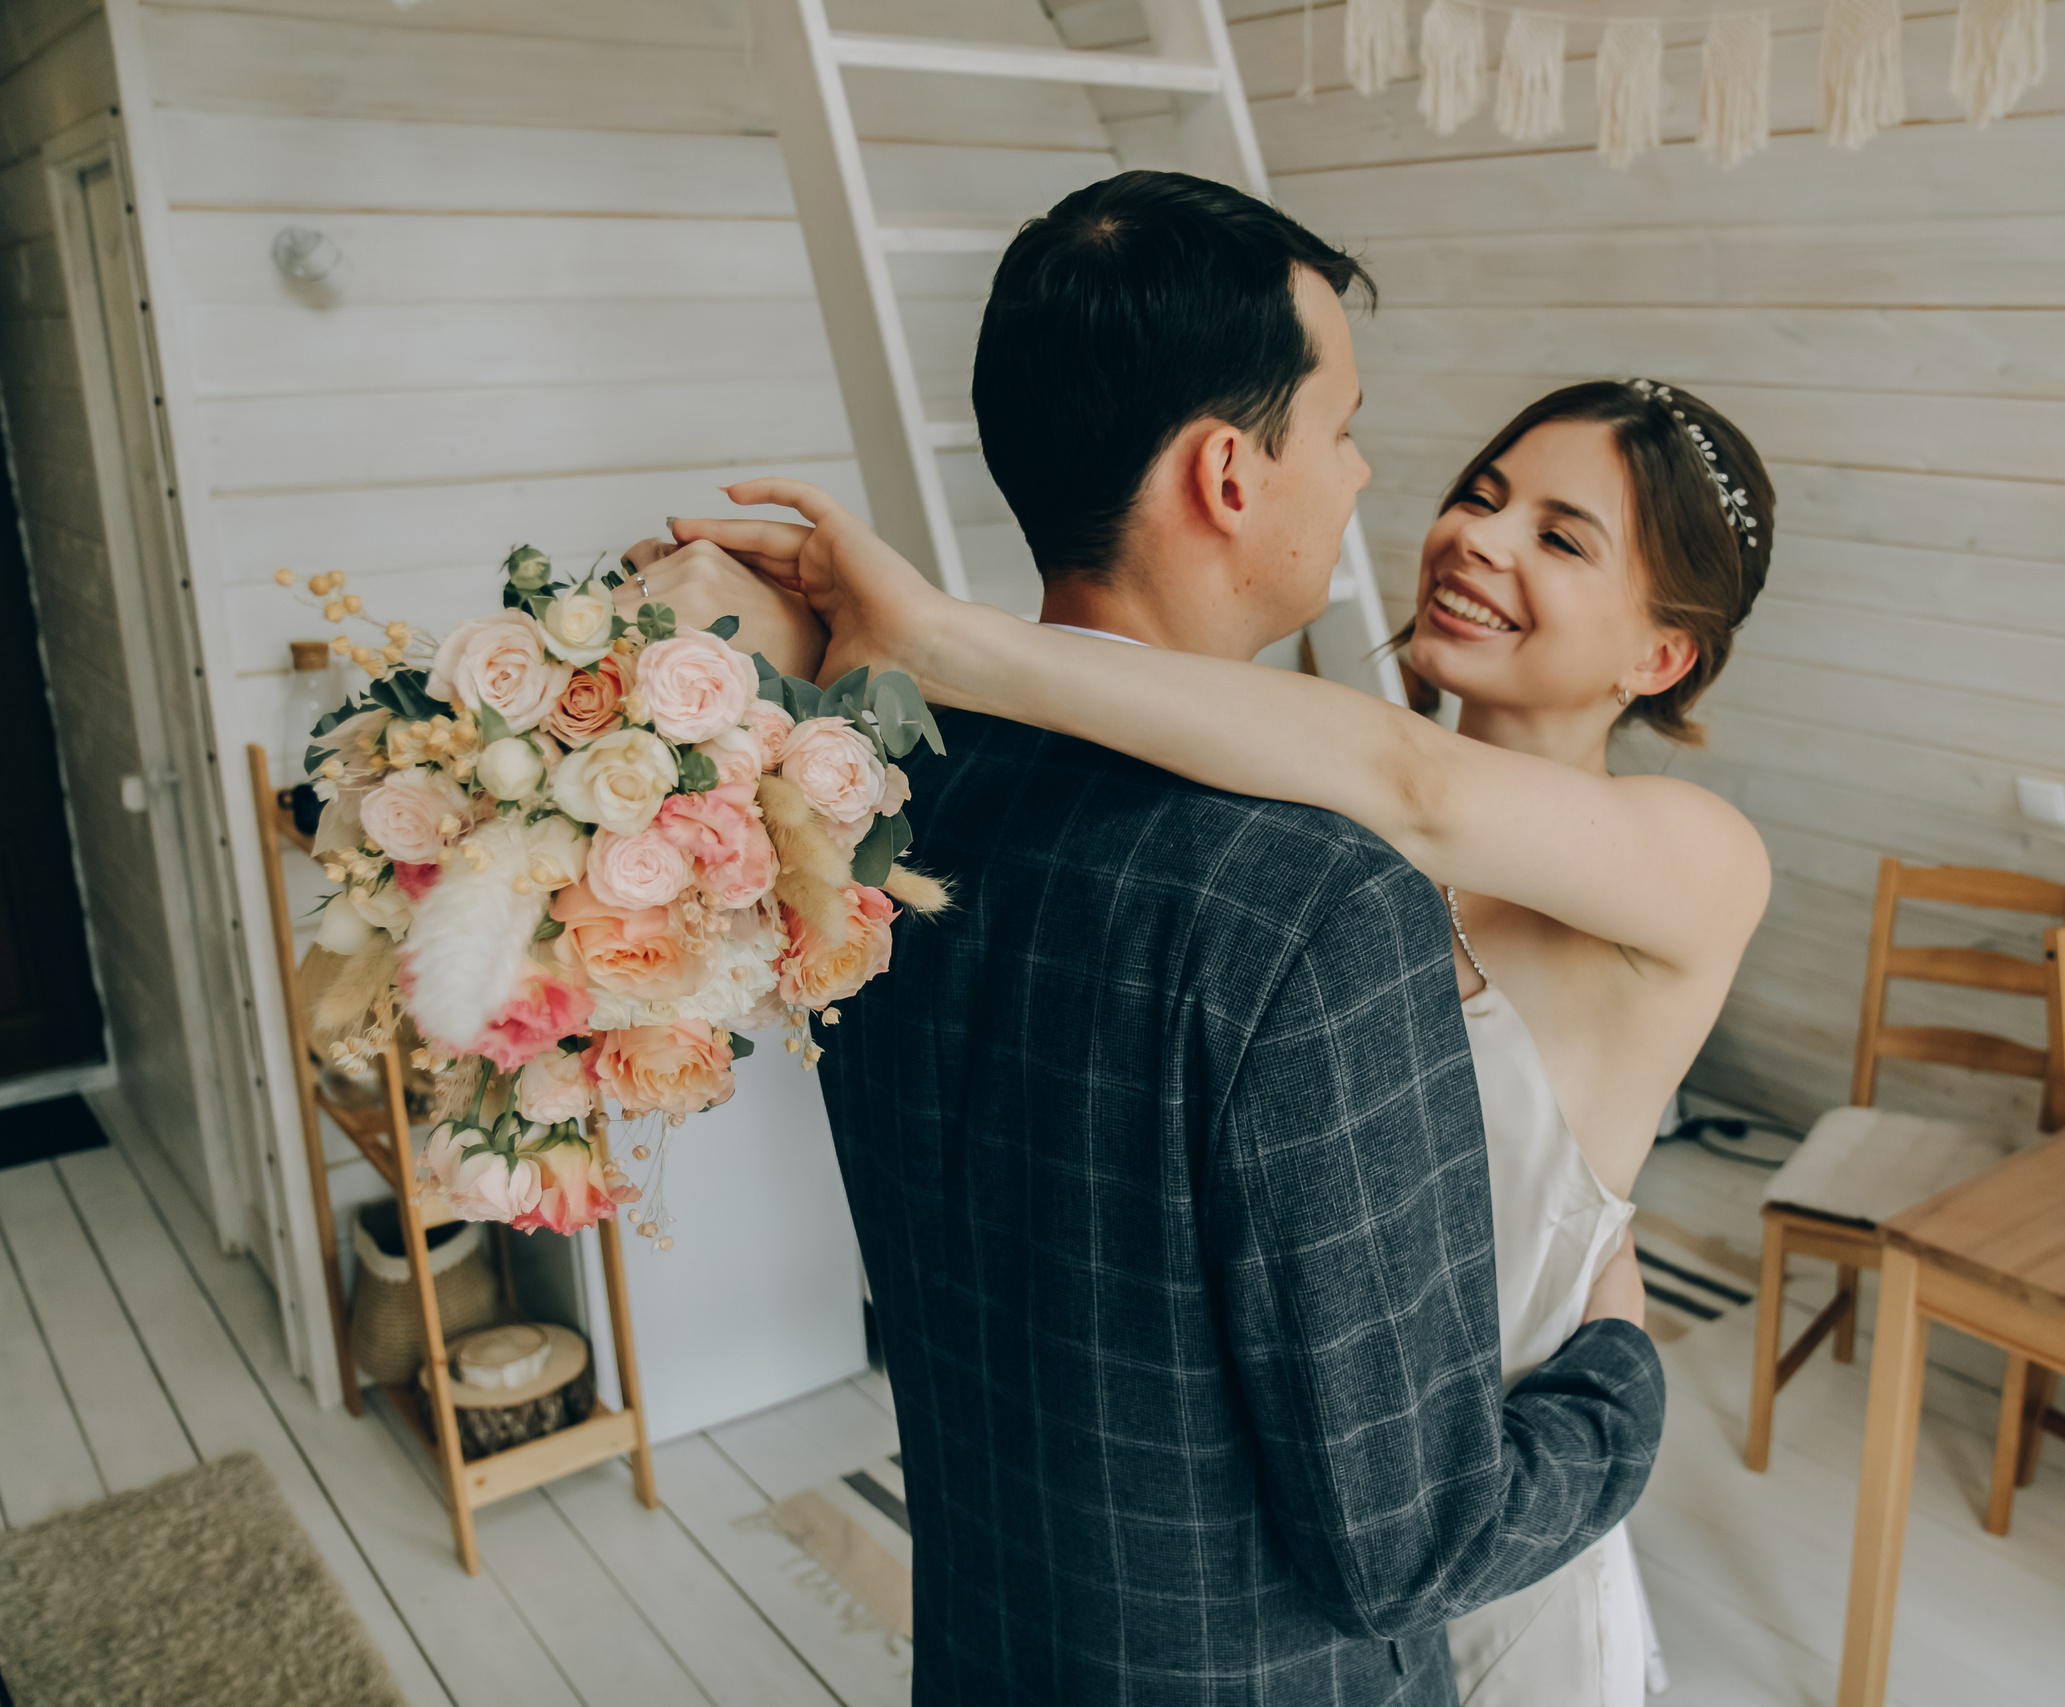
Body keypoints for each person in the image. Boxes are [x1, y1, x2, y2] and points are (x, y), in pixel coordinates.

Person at [634, 170, 1667, 1705]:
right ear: (1229, 474)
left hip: (990, 1651)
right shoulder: (1320, 905)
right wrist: (1621, 1383)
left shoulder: (871, 800)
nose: (1366, 473)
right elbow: (1410, 1544)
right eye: (1343, 427)